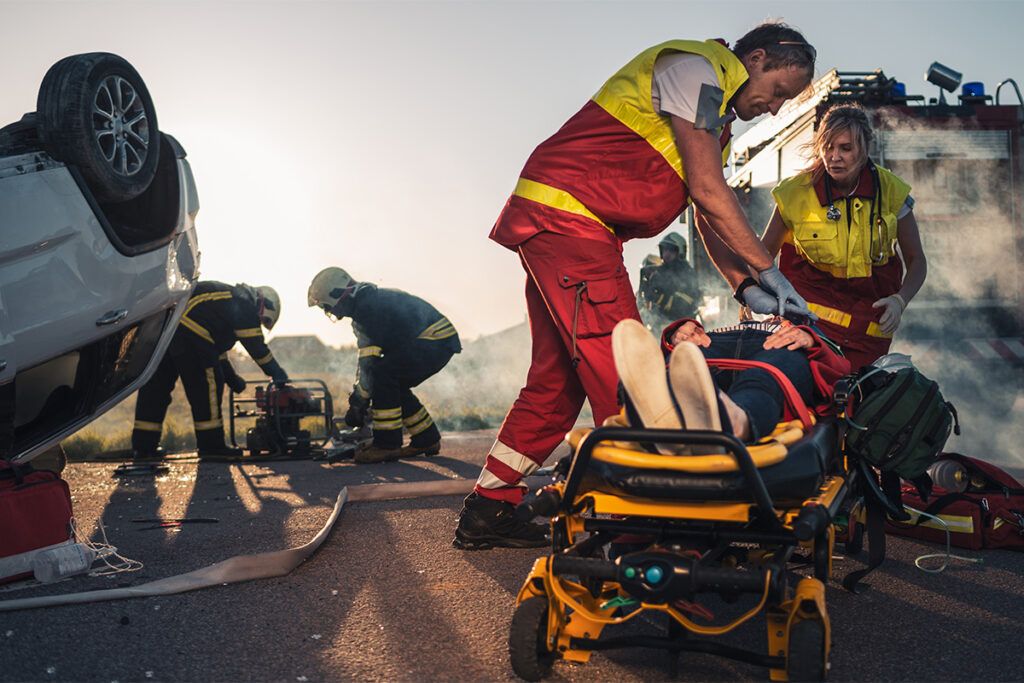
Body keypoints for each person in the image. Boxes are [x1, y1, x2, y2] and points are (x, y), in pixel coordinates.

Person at [455, 22, 818, 550]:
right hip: (573, 224)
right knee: (625, 379)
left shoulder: (710, 111)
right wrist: (770, 271)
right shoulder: (697, 71)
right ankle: (641, 525)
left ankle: (490, 508)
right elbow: (709, 190)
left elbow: (705, 214)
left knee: (557, 384)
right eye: (779, 92)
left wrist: (745, 287)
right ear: (756, 58)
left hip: (564, 224)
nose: (774, 108)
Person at [708, 104, 927, 369]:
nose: (834, 156)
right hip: (808, 329)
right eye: (828, 147)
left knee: (860, 406)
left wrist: (900, 300)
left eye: (845, 148)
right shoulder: (794, 194)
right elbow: (761, 257)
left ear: (865, 149)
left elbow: (917, 261)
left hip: (869, 339)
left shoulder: (892, 191)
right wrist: (749, 297)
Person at [613, 315, 850, 447]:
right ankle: (662, 414)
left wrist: (810, 337)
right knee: (685, 362)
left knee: (763, 376)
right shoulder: (719, 327)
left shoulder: (806, 330)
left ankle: (735, 421)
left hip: (785, 346)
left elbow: (841, 368)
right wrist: (681, 333)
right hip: (718, 343)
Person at [307, 267, 461, 464]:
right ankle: (426, 439)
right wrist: (359, 399)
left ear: (337, 295)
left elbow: (369, 366)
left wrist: (358, 404)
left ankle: (387, 445)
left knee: (383, 376)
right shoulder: (366, 305)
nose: (328, 311)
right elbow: (366, 360)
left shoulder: (367, 308)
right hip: (437, 340)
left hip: (434, 340)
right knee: (391, 382)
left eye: (326, 306)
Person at [132, 282, 288, 458]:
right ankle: (212, 446)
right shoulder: (244, 304)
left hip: (166, 327)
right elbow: (258, 349)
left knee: (156, 387)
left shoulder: (225, 302)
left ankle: (144, 446)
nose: (259, 324)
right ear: (264, 304)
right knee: (208, 387)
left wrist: (232, 378)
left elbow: (217, 352)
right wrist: (277, 373)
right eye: (264, 320)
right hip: (190, 329)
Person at [638, 232, 703, 335]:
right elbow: (645, 301)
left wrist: (661, 298)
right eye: (664, 249)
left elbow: (688, 303)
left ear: (680, 252)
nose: (666, 253)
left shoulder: (687, 273)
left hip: (681, 329)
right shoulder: (657, 273)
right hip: (659, 328)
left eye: (671, 250)